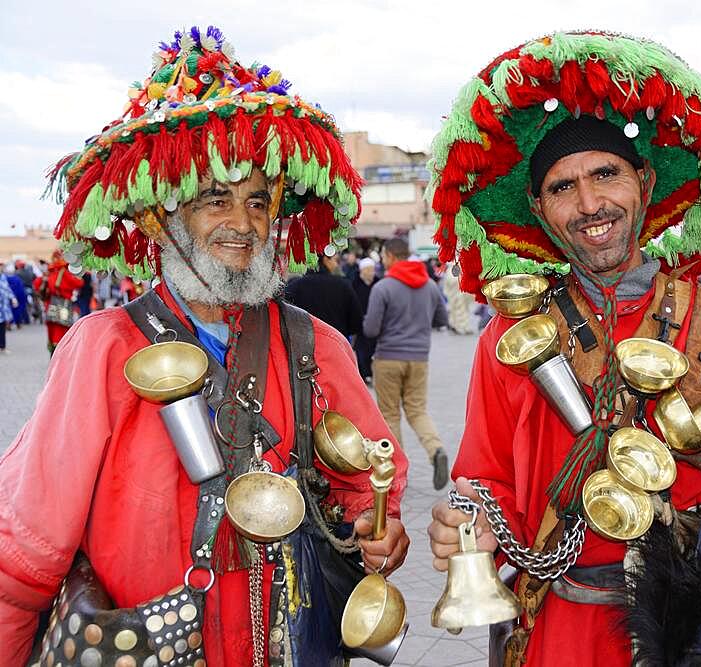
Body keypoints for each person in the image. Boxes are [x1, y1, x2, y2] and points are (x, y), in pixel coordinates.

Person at [425, 33, 701, 667]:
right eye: (563, 188)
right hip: (558, 632)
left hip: (698, 631)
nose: (590, 205)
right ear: (538, 209)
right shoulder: (509, 340)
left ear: (643, 181)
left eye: (606, 174)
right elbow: (488, 479)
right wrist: (467, 517)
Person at [0, 27, 411, 666]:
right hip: (156, 645)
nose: (243, 224)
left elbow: (368, 476)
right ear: (159, 218)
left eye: (255, 202)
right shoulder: (102, 348)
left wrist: (376, 524)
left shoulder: (315, 343)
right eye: (215, 200)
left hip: (290, 644)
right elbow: (26, 548)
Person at [363, 236, 450, 490]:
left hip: (388, 358)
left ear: (390, 256)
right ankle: (436, 450)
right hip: (419, 358)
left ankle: (396, 471)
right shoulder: (430, 286)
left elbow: (371, 328)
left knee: (390, 415)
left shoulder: (383, 287)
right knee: (417, 411)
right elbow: (442, 318)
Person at [285, 249, 363, 339]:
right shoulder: (343, 285)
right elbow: (357, 323)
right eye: (336, 260)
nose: (337, 264)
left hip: (305, 345)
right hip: (336, 344)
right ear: (326, 259)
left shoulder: (295, 286)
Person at [33, 250, 84, 355]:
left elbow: (37, 284)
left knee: (52, 330)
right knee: (62, 329)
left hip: (50, 305)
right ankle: (62, 353)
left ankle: (53, 352)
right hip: (64, 305)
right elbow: (79, 283)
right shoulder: (64, 272)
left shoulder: (49, 272)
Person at [351, 256, 379, 383]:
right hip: (359, 322)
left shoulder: (378, 283)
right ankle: (363, 373)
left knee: (374, 348)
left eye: (372, 270)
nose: (371, 273)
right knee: (361, 350)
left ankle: (372, 373)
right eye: (368, 270)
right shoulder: (354, 284)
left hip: (375, 322)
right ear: (362, 271)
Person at [0, 269, 16, 353]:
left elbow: (7, 289)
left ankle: (2, 347)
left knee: (2, 327)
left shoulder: (3, 277)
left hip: (3, 307)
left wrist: (13, 298)